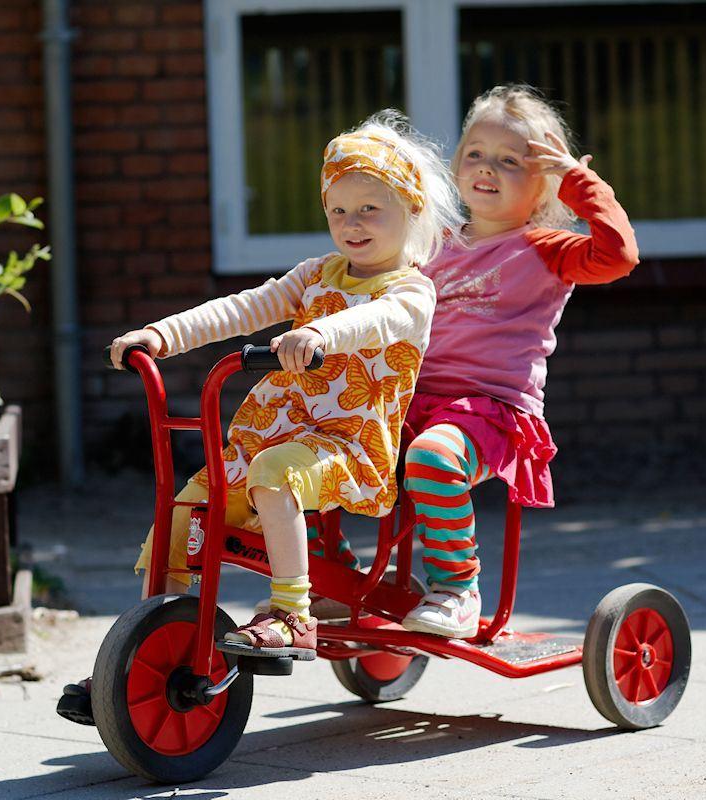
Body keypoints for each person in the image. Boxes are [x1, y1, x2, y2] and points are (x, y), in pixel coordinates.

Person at [108, 110, 461, 660]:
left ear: (410, 208)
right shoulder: (314, 275)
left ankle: (293, 614)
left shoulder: (412, 292)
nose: (353, 223)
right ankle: (145, 642)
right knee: (184, 510)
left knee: (276, 474)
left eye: (371, 208)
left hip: (348, 445)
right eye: (339, 209)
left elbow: (375, 322)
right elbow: (243, 308)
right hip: (271, 436)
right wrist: (162, 334)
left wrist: (321, 331)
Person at [399, 84, 640, 638]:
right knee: (325, 444)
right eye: (476, 154)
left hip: (489, 412)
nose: (488, 167)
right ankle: (330, 572)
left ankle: (456, 588)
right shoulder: (429, 242)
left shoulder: (545, 246)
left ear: (542, 187)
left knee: (432, 458)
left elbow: (618, 256)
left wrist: (579, 184)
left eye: (511, 161)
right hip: (413, 401)